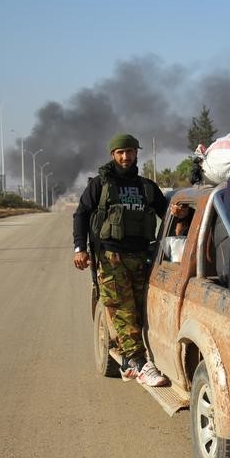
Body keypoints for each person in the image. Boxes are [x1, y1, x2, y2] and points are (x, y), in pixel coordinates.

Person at [73, 133, 171, 386]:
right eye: (120, 152)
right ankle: (139, 363)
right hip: (110, 258)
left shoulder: (147, 187)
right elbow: (81, 214)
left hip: (141, 258)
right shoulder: (100, 185)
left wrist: (178, 215)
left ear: (137, 153)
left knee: (139, 311)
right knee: (124, 310)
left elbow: (168, 215)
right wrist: (79, 248)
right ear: (112, 155)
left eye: (129, 151)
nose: (125, 157)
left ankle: (129, 360)